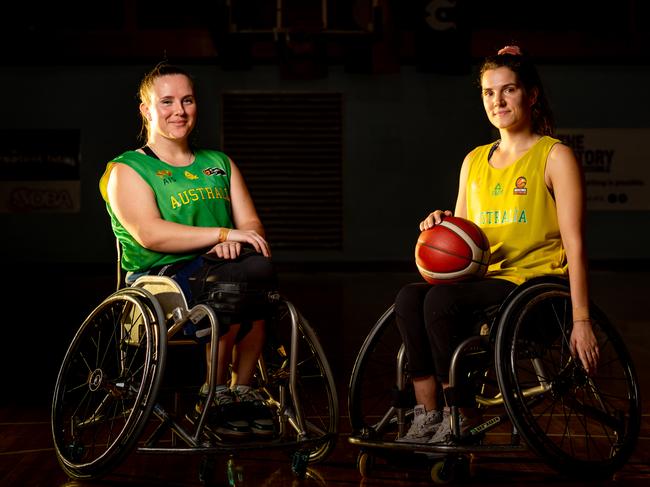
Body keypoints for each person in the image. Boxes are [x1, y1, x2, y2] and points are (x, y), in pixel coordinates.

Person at [394, 45, 600, 444]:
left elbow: (575, 245)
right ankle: (428, 415)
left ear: (531, 94)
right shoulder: (473, 160)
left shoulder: (554, 156)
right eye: (489, 92)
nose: (498, 100)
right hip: (486, 283)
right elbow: (462, 241)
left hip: (537, 288)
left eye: (508, 90)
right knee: (408, 297)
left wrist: (582, 320)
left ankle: (461, 412)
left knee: (440, 303)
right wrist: (443, 226)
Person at [99, 62, 277, 439]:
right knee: (236, 282)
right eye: (166, 102)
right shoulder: (127, 169)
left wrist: (239, 238)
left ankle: (239, 389)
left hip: (225, 268)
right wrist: (222, 234)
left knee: (256, 271)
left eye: (187, 100)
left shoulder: (219, 163)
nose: (178, 110)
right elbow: (150, 235)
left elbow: (253, 226)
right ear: (146, 109)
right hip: (161, 279)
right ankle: (211, 394)